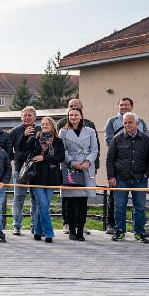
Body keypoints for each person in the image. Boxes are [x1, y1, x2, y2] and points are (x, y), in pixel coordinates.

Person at [107, 112, 149, 243]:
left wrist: (147, 174)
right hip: (120, 179)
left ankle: (139, 233)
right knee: (120, 206)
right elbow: (110, 159)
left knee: (140, 207)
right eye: (125, 123)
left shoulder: (146, 139)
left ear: (137, 123)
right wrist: (111, 177)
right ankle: (119, 231)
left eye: (130, 122)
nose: (127, 125)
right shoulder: (117, 139)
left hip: (140, 179)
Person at [57, 98, 101, 234]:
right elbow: (62, 150)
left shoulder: (90, 131)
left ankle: (80, 229)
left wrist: (88, 162)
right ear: (68, 117)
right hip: (70, 167)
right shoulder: (63, 131)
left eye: (76, 114)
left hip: (86, 167)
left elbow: (95, 149)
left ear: (81, 116)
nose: (73, 117)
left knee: (82, 201)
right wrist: (72, 163)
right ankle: (71, 229)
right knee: (70, 201)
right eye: (71, 115)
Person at [19, 117, 65, 242]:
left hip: (51, 177)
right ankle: (49, 233)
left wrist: (44, 158)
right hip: (37, 177)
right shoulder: (34, 139)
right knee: (43, 205)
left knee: (43, 206)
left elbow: (61, 157)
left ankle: (38, 232)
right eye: (43, 124)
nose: (44, 126)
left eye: (47, 124)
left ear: (52, 126)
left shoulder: (58, 141)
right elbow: (22, 148)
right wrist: (24, 136)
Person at [8, 107, 40, 237]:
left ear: (35, 117)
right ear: (21, 117)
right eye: (25, 116)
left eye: (30, 116)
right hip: (19, 170)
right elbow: (10, 149)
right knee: (18, 199)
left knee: (35, 200)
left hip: (37, 170)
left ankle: (34, 226)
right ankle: (16, 226)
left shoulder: (40, 130)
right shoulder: (15, 131)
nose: (27, 118)